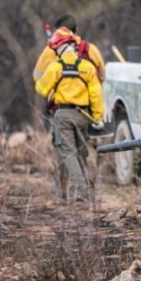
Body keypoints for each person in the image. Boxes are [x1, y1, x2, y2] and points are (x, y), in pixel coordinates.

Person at [35, 27, 105, 202]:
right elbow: (96, 94)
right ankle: (89, 187)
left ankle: (82, 191)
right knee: (82, 152)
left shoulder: (55, 67)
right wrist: (97, 117)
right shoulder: (87, 67)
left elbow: (41, 87)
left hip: (63, 114)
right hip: (83, 115)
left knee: (68, 153)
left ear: (60, 47)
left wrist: (53, 90)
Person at [32, 14, 105, 83]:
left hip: (59, 96)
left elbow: (37, 77)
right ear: (76, 29)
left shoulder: (51, 50)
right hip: (88, 95)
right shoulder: (90, 49)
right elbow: (102, 77)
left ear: (58, 32)